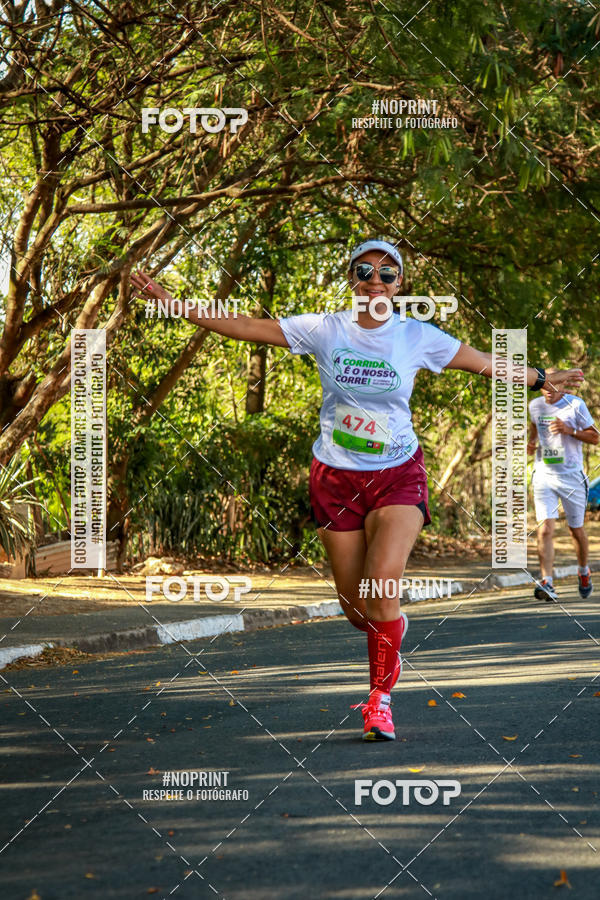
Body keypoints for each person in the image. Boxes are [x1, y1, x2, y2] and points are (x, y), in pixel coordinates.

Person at [131, 239, 585, 741]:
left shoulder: (417, 336)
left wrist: (542, 376)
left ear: (400, 284)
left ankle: (379, 702)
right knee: (356, 608)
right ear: (352, 278)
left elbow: (484, 362)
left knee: (382, 586)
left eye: (387, 274)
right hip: (335, 476)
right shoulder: (324, 329)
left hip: (398, 472)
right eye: (365, 270)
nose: (375, 280)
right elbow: (243, 326)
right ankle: (389, 624)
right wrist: (174, 303)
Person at [527, 369, 598, 602]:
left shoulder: (575, 405)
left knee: (575, 530)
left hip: (572, 477)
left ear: (561, 383)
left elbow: (595, 436)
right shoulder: (535, 406)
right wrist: (531, 443)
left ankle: (584, 570)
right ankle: (547, 581)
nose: (546, 388)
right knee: (545, 528)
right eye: (543, 384)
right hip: (544, 475)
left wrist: (570, 430)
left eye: (551, 384)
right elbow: (535, 429)